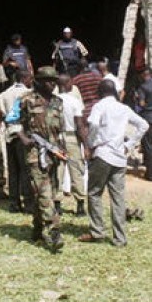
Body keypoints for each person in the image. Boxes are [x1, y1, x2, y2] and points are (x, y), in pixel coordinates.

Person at [79, 80, 148, 247]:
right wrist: (129, 145)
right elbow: (143, 125)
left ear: (100, 92)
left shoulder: (99, 106)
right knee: (118, 197)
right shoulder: (123, 108)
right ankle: (120, 238)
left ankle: (97, 231)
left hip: (102, 154)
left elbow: (93, 123)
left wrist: (91, 143)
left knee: (94, 193)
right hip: (119, 157)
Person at [18, 66, 68, 251]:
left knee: (49, 191)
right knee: (44, 192)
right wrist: (23, 138)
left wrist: (62, 149)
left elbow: (60, 129)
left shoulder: (58, 102)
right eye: (48, 80)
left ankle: (38, 228)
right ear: (38, 81)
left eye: (54, 80)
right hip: (34, 153)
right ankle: (54, 232)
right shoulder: (25, 100)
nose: (52, 84)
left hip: (54, 153)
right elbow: (12, 121)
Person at [0, 69, 35, 213]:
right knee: (26, 171)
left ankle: (14, 204)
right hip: (23, 134)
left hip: (9, 134)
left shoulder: (6, 93)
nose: (31, 81)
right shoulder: (27, 93)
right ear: (25, 78)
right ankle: (28, 204)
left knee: (13, 171)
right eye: (30, 78)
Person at [55, 74, 88, 216]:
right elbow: (79, 125)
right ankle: (80, 204)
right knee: (76, 170)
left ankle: (57, 204)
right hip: (71, 137)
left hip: (56, 138)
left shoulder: (52, 101)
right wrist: (85, 144)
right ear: (67, 83)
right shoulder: (75, 101)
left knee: (57, 171)